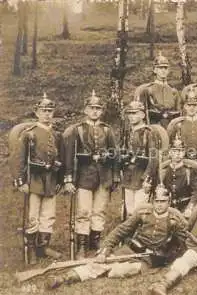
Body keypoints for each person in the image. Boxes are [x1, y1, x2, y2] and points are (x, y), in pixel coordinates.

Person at [46, 186, 188, 289]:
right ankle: (64, 278)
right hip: (131, 249)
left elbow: (185, 241)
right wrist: (106, 248)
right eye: (156, 201)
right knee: (101, 262)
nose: (159, 204)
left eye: (163, 201)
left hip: (151, 258)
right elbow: (122, 230)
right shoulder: (143, 211)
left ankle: (104, 271)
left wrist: (172, 258)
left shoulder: (175, 218)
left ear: (169, 202)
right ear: (152, 201)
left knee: (119, 271)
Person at [63, 90, 120, 259]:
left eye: (98, 108)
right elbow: (69, 156)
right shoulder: (77, 130)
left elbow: (114, 154)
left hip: (103, 176)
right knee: (83, 211)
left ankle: (95, 242)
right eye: (91, 108)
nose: (95, 111)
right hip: (84, 177)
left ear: (102, 111)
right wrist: (68, 179)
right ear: (85, 110)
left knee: (99, 210)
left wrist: (115, 175)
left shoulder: (107, 130)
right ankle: (81, 245)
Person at [13, 93, 64, 263]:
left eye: (50, 111)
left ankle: (43, 247)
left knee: (48, 215)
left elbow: (61, 159)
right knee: (33, 215)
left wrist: (61, 180)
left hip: (51, 180)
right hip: (34, 179)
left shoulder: (57, 135)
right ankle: (32, 249)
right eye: (43, 111)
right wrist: (21, 181)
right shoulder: (29, 134)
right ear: (36, 113)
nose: (47, 114)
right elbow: (19, 159)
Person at [148, 136, 197, 218]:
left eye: (180, 151)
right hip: (167, 208)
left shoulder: (190, 171)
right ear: (170, 153)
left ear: (184, 153)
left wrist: (190, 208)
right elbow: (155, 190)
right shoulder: (163, 171)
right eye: (174, 151)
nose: (177, 154)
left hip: (184, 208)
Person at [120, 100, 157, 217]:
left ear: (142, 115)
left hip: (141, 176)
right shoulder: (127, 132)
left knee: (140, 211)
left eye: (135, 113)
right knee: (130, 211)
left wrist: (147, 178)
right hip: (128, 176)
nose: (131, 116)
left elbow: (153, 158)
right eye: (130, 113)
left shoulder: (148, 133)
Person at [134, 51, 181, 126]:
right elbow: (140, 112)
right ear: (155, 70)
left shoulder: (173, 91)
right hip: (153, 126)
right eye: (160, 68)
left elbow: (178, 113)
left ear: (168, 70)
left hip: (170, 126)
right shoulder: (147, 90)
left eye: (165, 68)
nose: (163, 70)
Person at [167, 90, 197, 163]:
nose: (192, 108)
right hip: (182, 161)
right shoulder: (177, 124)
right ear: (185, 106)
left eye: (194, 105)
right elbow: (170, 144)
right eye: (189, 105)